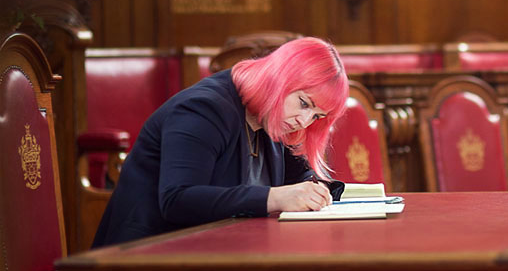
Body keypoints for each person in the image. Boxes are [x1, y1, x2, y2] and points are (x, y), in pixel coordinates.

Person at [93, 36, 349, 246]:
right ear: (280, 78)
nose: (304, 121)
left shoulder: (271, 119)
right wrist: (274, 198)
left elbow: (298, 178)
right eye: (304, 103)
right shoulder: (204, 109)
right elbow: (177, 200)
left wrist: (315, 191)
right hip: (143, 262)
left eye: (317, 116)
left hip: (213, 255)